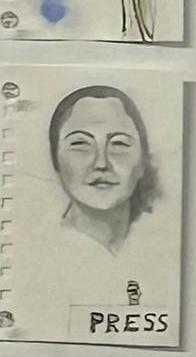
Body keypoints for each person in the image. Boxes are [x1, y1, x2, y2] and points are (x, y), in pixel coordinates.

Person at [47, 81, 158, 255]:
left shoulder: (159, 246)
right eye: (80, 144)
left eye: (119, 144)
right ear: (56, 160)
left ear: (143, 162)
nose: (101, 163)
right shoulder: (41, 249)